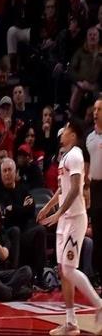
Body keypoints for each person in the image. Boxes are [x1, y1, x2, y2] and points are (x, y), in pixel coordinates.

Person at [38, 120, 102, 336]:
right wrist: (48, 207)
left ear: (73, 135)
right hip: (65, 219)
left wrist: (58, 213)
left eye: (65, 130)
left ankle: (99, 303)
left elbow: (75, 189)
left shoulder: (75, 155)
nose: (62, 133)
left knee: (69, 269)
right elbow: (62, 189)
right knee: (63, 270)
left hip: (74, 218)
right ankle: (71, 322)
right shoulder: (65, 156)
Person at [86, 98, 102, 292]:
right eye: (95, 109)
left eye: (100, 109)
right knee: (98, 235)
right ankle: (98, 275)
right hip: (95, 189)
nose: (96, 112)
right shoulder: (89, 138)